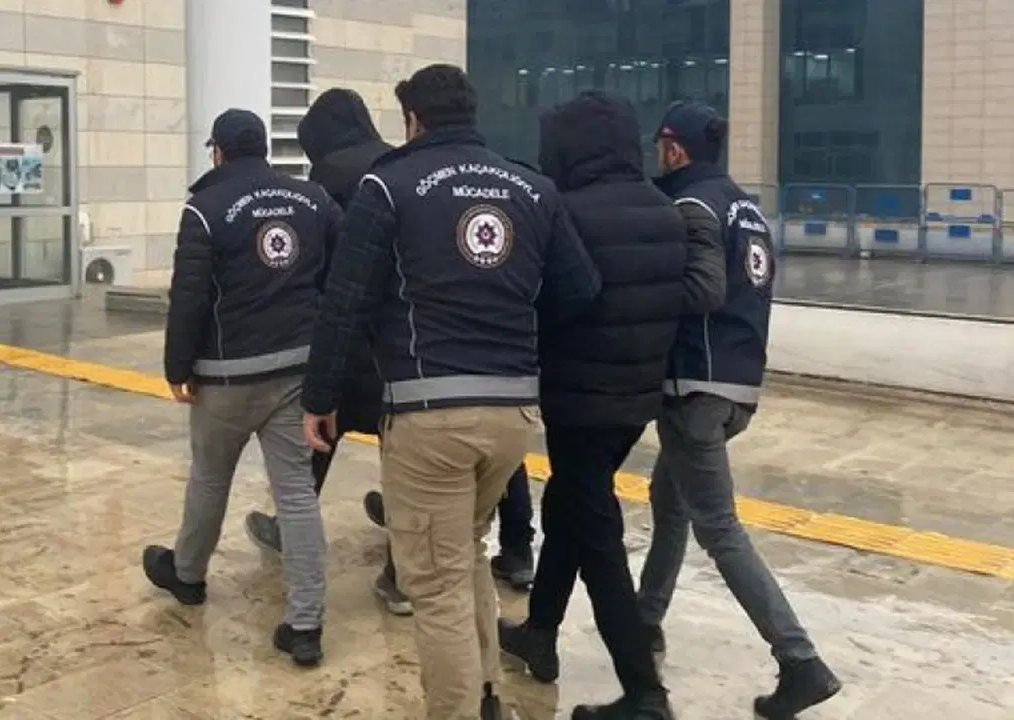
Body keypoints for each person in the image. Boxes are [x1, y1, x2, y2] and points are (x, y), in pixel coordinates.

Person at [300, 64, 601, 720]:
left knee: (434, 587)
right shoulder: (532, 187)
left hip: (431, 416)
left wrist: (319, 397)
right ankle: (487, 695)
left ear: (412, 119)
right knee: (462, 554)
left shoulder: (388, 185)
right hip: (512, 414)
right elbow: (580, 290)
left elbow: (344, 303)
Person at [242, 88, 539, 608]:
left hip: (369, 344)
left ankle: (300, 530)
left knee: (323, 431)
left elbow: (335, 280)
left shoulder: (333, 182)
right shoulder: (409, 168)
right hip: (437, 348)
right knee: (459, 439)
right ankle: (516, 550)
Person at [496, 91, 726, 720]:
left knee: (595, 530)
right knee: (570, 503)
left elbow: (546, 300)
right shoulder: (665, 211)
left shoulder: (565, 211)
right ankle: (540, 632)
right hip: (634, 398)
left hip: (576, 398)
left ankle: (645, 693)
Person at [636, 101, 842, 719]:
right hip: (738, 383)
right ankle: (645, 621)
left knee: (719, 528)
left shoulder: (691, 204)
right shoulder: (745, 207)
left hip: (695, 385)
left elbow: (702, 290)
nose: (657, 157)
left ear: (674, 149)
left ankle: (800, 660)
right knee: (669, 501)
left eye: (660, 147)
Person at [141, 108, 340, 668]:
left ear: (219, 151)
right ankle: (305, 623)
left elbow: (189, 295)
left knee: (210, 476)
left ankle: (187, 575)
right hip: (297, 369)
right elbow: (336, 276)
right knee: (296, 493)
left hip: (225, 374)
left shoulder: (205, 208)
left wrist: (177, 365)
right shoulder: (313, 200)